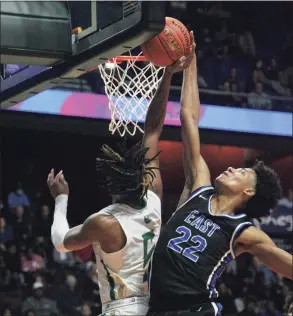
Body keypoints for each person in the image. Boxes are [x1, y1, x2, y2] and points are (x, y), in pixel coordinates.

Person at [148, 33, 292, 316]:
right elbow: (189, 118)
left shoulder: (244, 232)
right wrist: (191, 63)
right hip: (159, 308)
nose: (230, 168)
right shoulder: (199, 187)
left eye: (240, 171)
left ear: (248, 192)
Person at [48, 49, 194, 316]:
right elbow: (153, 130)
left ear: (112, 188)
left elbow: (60, 242)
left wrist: (60, 199)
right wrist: (168, 75)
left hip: (121, 309)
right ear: (142, 181)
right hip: (153, 305)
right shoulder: (152, 199)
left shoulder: (105, 222)